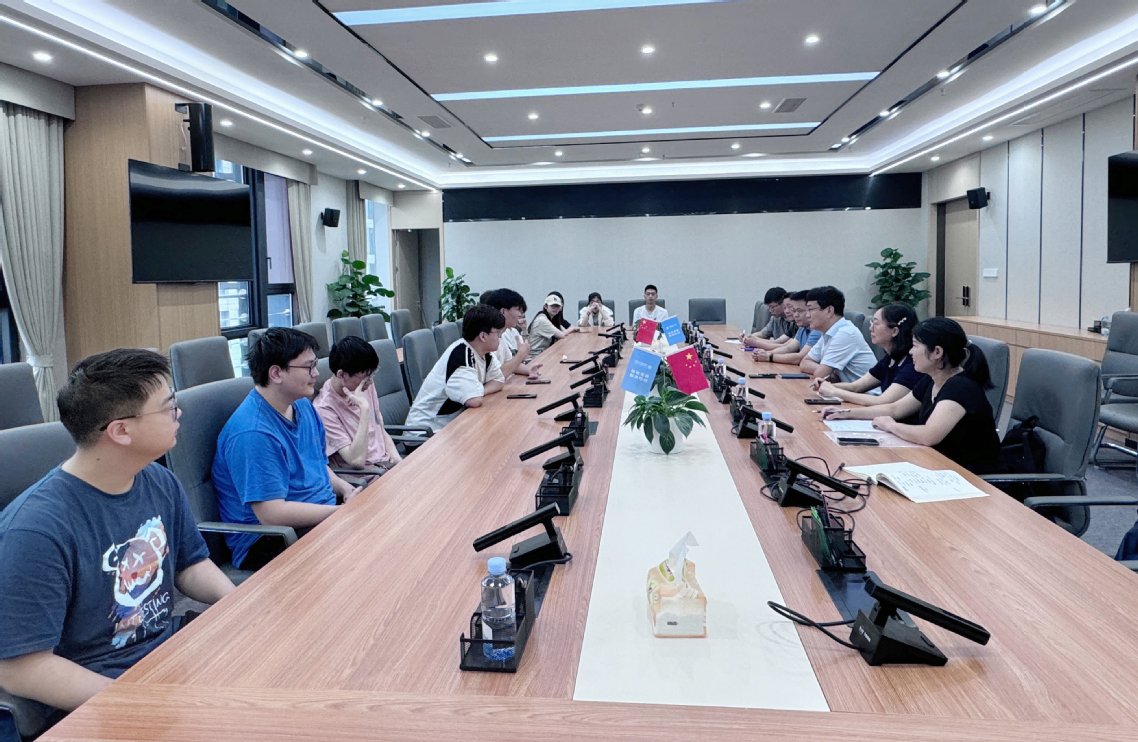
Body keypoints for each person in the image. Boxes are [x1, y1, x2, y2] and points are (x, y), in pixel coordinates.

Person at [0, 349, 234, 715]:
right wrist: (135, 701)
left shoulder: (157, 479)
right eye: (168, 407)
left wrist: (239, 606)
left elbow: (189, 564)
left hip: (167, 662)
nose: (179, 414)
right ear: (121, 431)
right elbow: (21, 669)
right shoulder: (36, 529)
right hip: (100, 697)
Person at [213, 328, 361, 571]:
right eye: (309, 367)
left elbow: (318, 465)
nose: (316, 374)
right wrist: (339, 512)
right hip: (271, 538)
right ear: (276, 373)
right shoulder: (253, 432)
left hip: (317, 515)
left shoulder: (302, 405)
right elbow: (272, 514)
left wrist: (346, 489)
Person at [822, 318, 1002, 473]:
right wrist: (846, 414)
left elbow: (928, 435)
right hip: (938, 463)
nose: (910, 352)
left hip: (970, 476)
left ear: (937, 352)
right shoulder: (932, 378)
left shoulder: (960, 387)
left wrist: (891, 426)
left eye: (915, 346)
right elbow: (895, 409)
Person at [407, 303, 507, 432]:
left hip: (450, 426)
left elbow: (498, 381)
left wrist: (478, 390)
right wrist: (476, 392)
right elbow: (474, 400)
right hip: (426, 432)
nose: (500, 338)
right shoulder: (460, 356)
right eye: (498, 333)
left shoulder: (485, 354)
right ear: (483, 336)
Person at [313, 336, 402, 476]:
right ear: (341, 374)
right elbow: (357, 461)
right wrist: (364, 410)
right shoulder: (324, 409)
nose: (370, 382)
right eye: (366, 378)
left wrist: (399, 462)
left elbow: (379, 428)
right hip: (367, 476)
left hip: (386, 465)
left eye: (372, 375)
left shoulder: (365, 386)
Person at [811, 303, 925, 408]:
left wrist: (834, 391)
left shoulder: (912, 363)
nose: (871, 328)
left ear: (894, 331)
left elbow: (882, 401)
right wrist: (826, 385)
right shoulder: (890, 358)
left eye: (876, 323)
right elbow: (856, 387)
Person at [799, 286, 877, 383]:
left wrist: (824, 371)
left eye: (810, 309)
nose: (807, 315)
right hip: (846, 390)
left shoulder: (845, 334)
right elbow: (804, 363)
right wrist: (827, 372)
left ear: (829, 310)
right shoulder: (829, 332)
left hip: (866, 391)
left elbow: (820, 374)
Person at [481, 288, 542, 379]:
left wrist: (529, 370)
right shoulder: (488, 336)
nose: (520, 315)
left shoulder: (501, 334)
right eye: (517, 309)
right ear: (503, 311)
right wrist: (520, 355)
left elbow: (510, 363)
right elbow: (498, 375)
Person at [752, 291, 820, 365]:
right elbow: (789, 348)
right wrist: (766, 353)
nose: (796, 315)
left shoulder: (817, 329)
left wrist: (769, 356)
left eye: (800, 311)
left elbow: (800, 358)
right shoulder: (802, 327)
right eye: (794, 311)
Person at [527, 292, 579, 359]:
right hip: (534, 357)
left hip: (544, 354)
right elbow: (561, 335)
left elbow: (563, 330)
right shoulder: (542, 320)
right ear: (545, 306)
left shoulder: (552, 318)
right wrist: (572, 329)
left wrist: (569, 329)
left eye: (557, 306)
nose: (555, 308)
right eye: (552, 306)